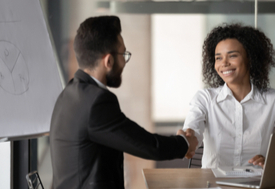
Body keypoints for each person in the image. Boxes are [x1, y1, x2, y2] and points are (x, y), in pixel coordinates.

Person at [50, 16, 198, 189]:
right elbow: (147, 145)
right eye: (124, 55)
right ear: (109, 61)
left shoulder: (68, 94)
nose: (124, 62)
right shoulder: (96, 102)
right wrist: (184, 143)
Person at [181, 23, 275, 169]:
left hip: (257, 184)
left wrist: (271, 161)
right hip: (213, 184)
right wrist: (188, 142)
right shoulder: (204, 98)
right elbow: (193, 134)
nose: (224, 63)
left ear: (250, 58)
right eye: (218, 58)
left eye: (232, 55)